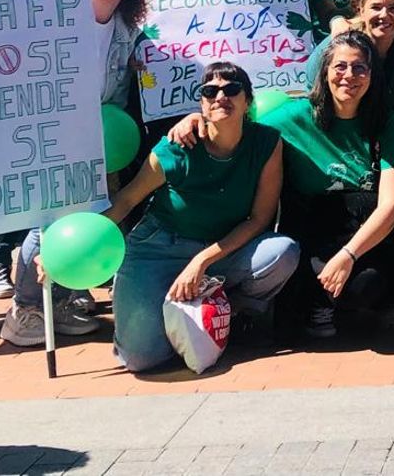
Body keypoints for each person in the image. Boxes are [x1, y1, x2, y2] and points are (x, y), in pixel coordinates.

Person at [260, 32, 394, 338]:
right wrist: (195, 122)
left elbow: (391, 205)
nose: (349, 75)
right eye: (340, 67)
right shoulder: (291, 118)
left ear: (372, 75)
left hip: (366, 230)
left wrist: (348, 256)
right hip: (320, 231)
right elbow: (235, 130)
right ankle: (319, 301)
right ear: (324, 72)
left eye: (360, 68)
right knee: (366, 287)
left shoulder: (387, 122)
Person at [0, 0, 152, 347]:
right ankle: (25, 308)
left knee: (86, 219)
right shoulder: (46, 14)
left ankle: (61, 300)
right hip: (46, 134)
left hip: (101, 142)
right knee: (48, 223)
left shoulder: (128, 30)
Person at [101, 63, 300, 372]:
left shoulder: (266, 142)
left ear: (248, 100)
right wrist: (88, 237)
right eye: (210, 91)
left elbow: (260, 219)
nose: (221, 96)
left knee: (282, 253)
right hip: (159, 249)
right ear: (202, 103)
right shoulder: (177, 146)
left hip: (221, 251)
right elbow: (127, 200)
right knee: (142, 360)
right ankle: (166, 312)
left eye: (232, 89)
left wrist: (200, 262)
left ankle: (225, 312)